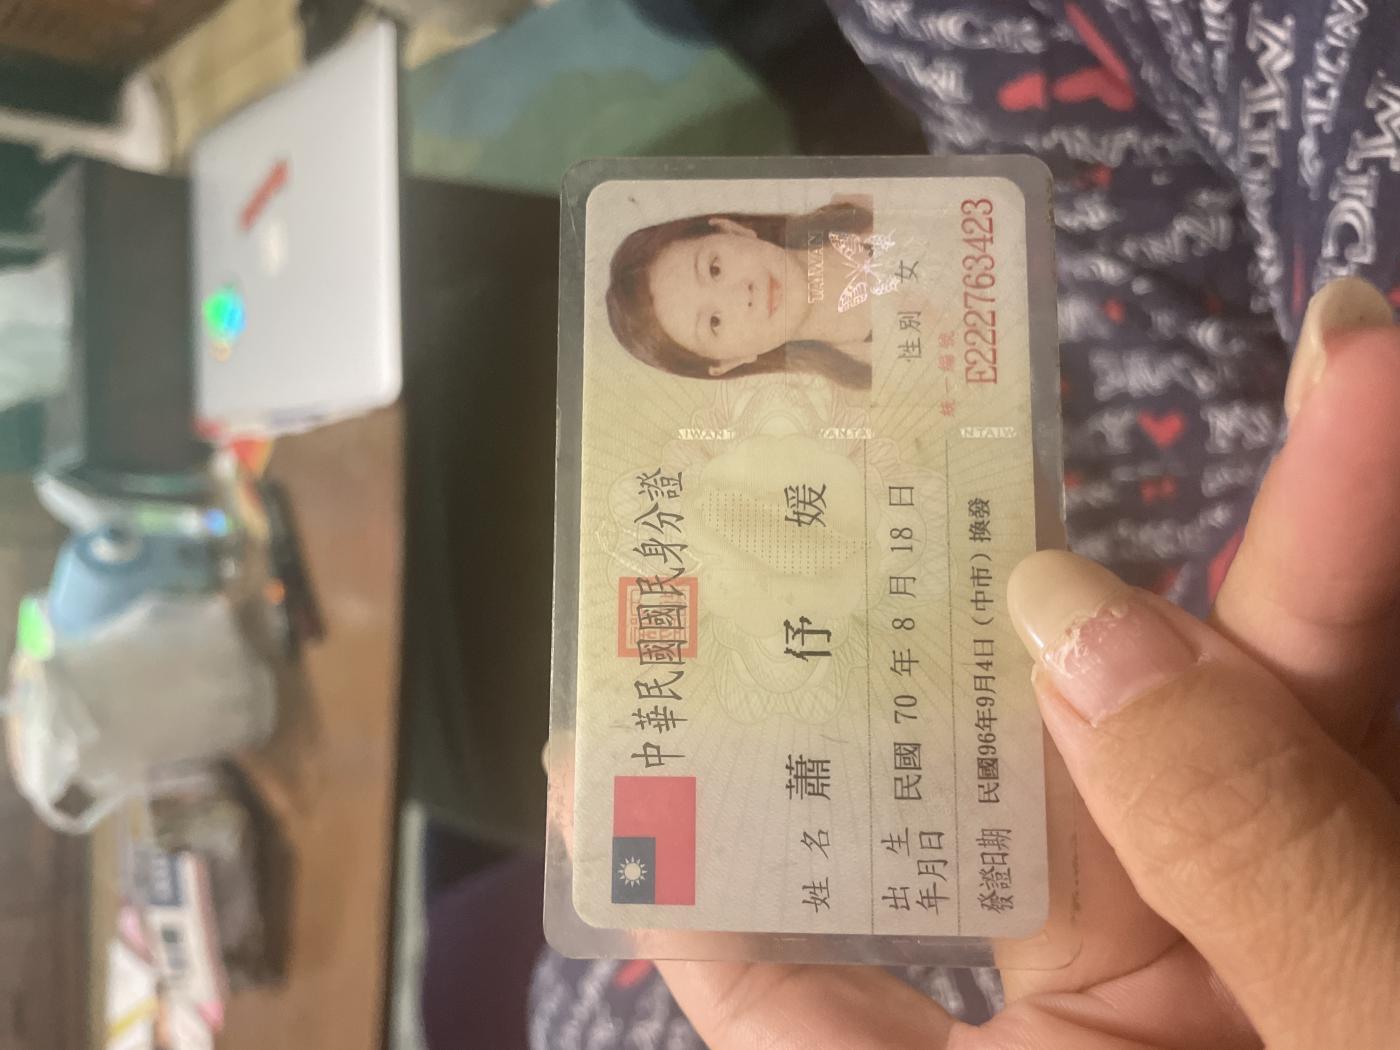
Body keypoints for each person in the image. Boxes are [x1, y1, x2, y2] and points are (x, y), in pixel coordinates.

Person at [605, 201, 879, 389]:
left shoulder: (875, 202)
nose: (742, 295)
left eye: (714, 269)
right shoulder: (875, 392)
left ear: (731, 230)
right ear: (730, 362)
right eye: (714, 322)